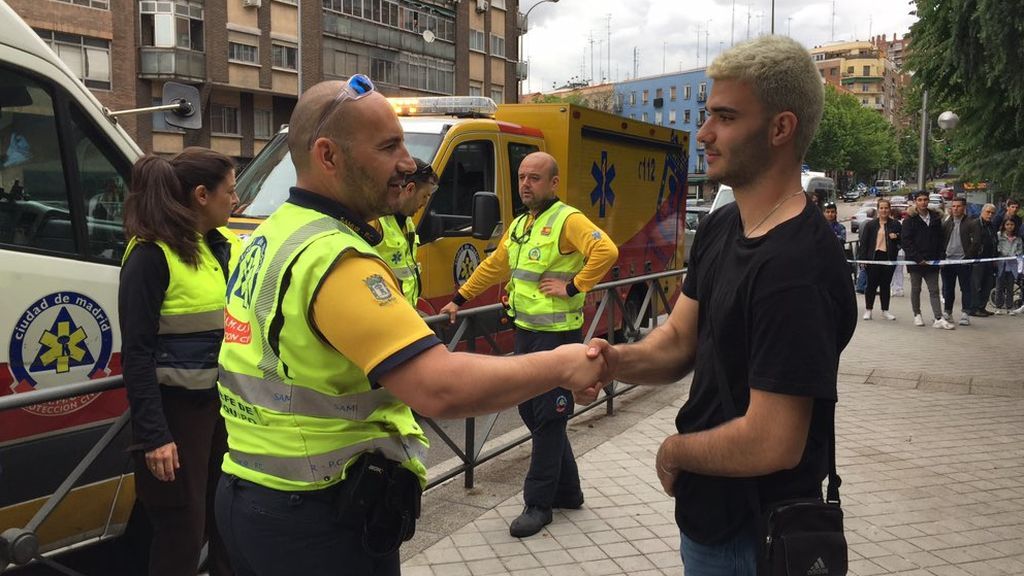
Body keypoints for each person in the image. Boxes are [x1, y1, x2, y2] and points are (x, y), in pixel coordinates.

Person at [213, 76, 611, 576]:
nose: (407, 163)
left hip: (254, 496)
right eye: (388, 146)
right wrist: (562, 363)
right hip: (318, 518)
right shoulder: (335, 258)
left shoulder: (277, 232)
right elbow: (439, 389)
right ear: (328, 156)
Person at [580, 36, 857, 574]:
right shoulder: (723, 224)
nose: (703, 134)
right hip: (708, 520)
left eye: (725, 118)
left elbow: (772, 441)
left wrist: (674, 451)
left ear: (781, 128)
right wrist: (613, 360)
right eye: (708, 115)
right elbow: (681, 340)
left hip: (756, 533)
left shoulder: (795, 266)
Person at [438, 151, 619, 538]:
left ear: (553, 183)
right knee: (533, 411)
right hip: (526, 331)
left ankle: (538, 504)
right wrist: (459, 298)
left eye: (535, 178)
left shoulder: (567, 220)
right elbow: (494, 267)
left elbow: (607, 251)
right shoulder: (521, 225)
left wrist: (573, 286)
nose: (525, 184)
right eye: (522, 177)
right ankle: (568, 491)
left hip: (557, 338)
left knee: (550, 413)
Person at [119, 147, 240, 576]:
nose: (237, 199)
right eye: (230, 190)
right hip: (176, 418)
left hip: (221, 410)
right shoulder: (150, 256)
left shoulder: (216, 248)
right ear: (202, 195)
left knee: (227, 523)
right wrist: (154, 437)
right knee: (181, 539)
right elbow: (135, 354)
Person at [373, 157, 436, 307]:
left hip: (403, 315)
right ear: (410, 189)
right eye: (424, 196)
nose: (425, 203)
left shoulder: (407, 222)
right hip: (384, 316)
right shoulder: (375, 222)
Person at [902, 190, 955, 329]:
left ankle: (938, 317)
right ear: (915, 202)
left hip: (932, 262)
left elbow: (940, 240)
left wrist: (941, 258)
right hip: (916, 262)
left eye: (925, 199)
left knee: (934, 290)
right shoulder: (909, 220)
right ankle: (917, 314)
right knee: (916, 289)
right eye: (920, 200)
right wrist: (918, 258)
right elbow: (906, 242)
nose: (923, 202)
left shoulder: (936, 218)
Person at [858, 198, 901, 321]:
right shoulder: (870, 225)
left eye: (886, 208)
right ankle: (868, 310)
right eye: (881, 208)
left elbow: (902, 240)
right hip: (873, 257)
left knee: (885, 285)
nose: (884, 210)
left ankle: (885, 310)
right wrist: (863, 259)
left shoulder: (895, 224)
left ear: (889, 209)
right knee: (871, 285)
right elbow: (864, 243)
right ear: (878, 210)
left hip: (888, 258)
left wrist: (896, 237)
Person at [940, 196, 980, 326]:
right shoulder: (947, 222)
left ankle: (965, 313)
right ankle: (947, 311)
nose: (955, 209)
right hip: (948, 261)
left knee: (966, 288)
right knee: (948, 289)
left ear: (964, 208)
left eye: (958, 206)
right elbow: (941, 241)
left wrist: (968, 257)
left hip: (964, 262)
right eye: (953, 206)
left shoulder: (972, 223)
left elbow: (977, 242)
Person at [969, 203, 999, 316]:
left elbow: (994, 241)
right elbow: (972, 242)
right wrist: (972, 256)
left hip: (990, 259)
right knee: (976, 285)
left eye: (992, 213)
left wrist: (995, 257)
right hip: (978, 260)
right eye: (988, 212)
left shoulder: (992, 225)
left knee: (988, 284)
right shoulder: (975, 224)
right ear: (982, 212)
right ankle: (974, 308)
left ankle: (982, 307)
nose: (990, 215)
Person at [994, 218, 1023, 315]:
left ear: (1015, 226)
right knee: (999, 287)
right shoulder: (999, 235)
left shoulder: (1018, 238)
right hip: (1001, 264)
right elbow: (997, 247)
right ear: (1004, 225)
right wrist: (1004, 253)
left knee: (1010, 287)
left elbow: (1020, 250)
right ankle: (998, 307)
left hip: (1012, 266)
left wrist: (1015, 254)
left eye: (1011, 224)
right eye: (1007, 224)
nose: (1009, 226)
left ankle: (1009, 307)